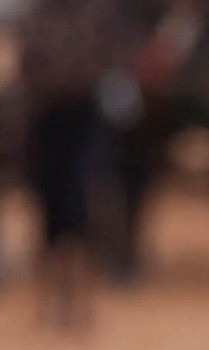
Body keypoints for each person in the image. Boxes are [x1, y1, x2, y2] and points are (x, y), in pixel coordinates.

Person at [15, 0, 138, 329]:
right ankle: (48, 304)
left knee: (83, 212)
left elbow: (110, 63)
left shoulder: (96, 14)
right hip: (46, 123)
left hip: (83, 122)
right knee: (48, 216)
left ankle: (81, 305)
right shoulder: (37, 16)